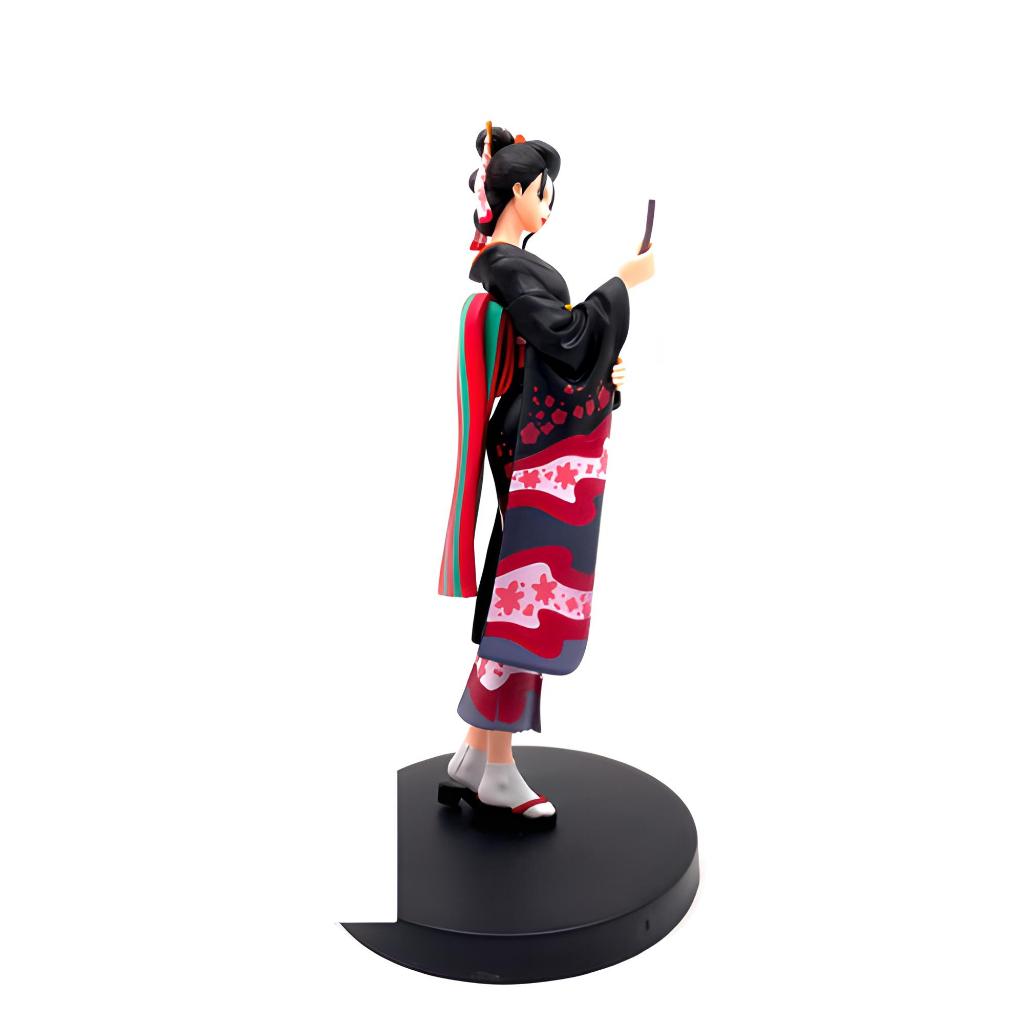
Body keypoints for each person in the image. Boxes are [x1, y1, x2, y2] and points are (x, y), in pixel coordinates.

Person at [438, 123, 655, 820]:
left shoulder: (511, 265)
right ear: (514, 193)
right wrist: (622, 284)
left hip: (533, 432)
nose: (549, 205)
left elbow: (567, 353)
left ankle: (476, 753)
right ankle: (498, 770)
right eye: (543, 192)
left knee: (517, 587)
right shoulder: (505, 267)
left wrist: (603, 377)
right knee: (523, 596)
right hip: (530, 444)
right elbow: (566, 340)